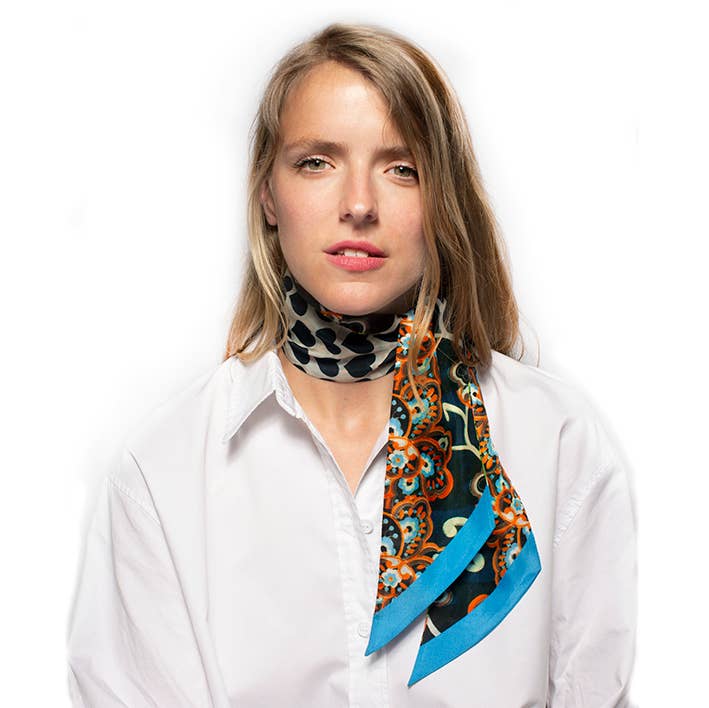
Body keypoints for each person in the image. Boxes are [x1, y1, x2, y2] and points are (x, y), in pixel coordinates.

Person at [66, 22, 638, 707]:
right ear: (267, 193)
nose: (359, 204)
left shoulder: (558, 445)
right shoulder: (162, 474)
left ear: (442, 197)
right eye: (317, 162)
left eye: (402, 168)